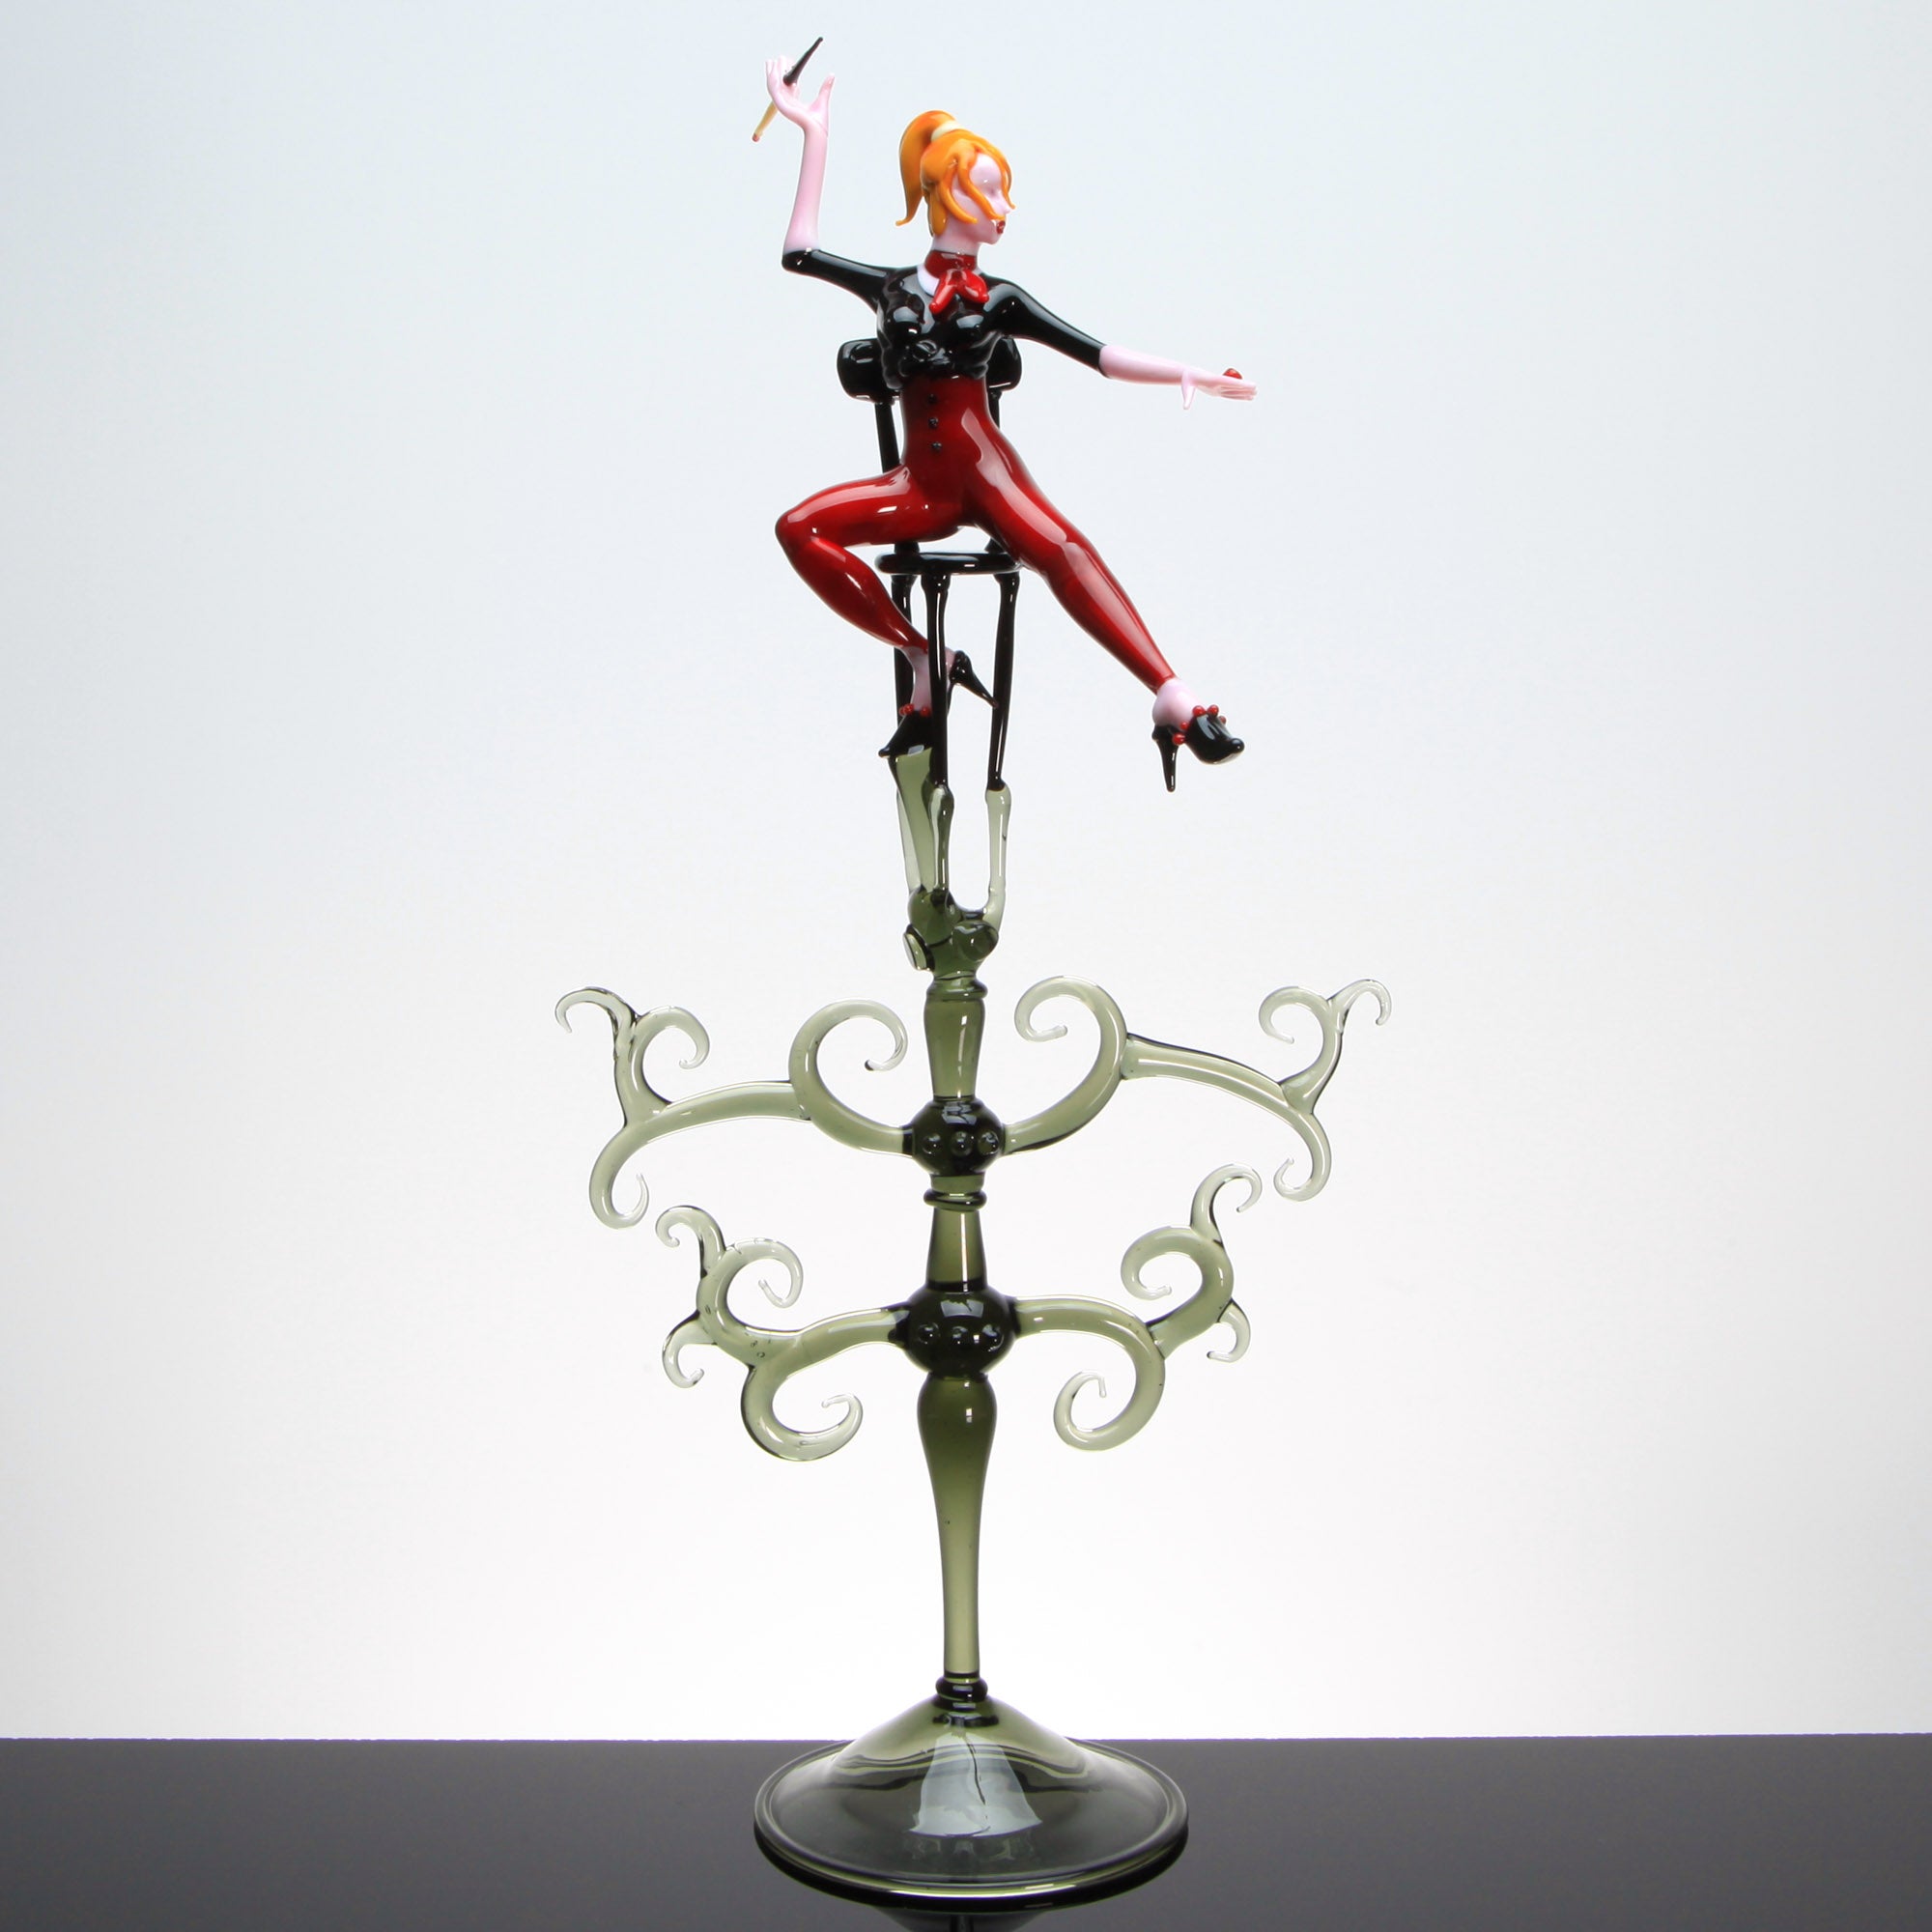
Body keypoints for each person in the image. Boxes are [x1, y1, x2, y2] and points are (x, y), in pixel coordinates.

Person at [764, 62, 1256, 788]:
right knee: (799, 528)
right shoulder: (890, 288)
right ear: (946, 190)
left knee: (1064, 550)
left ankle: (1172, 696)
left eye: (1002, 192)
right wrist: (814, 134)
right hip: (920, 487)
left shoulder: (1000, 296)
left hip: (988, 475)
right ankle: (924, 654)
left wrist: (1187, 372)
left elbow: (1096, 353)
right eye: (988, 190)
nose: (1003, 208)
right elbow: (798, 252)